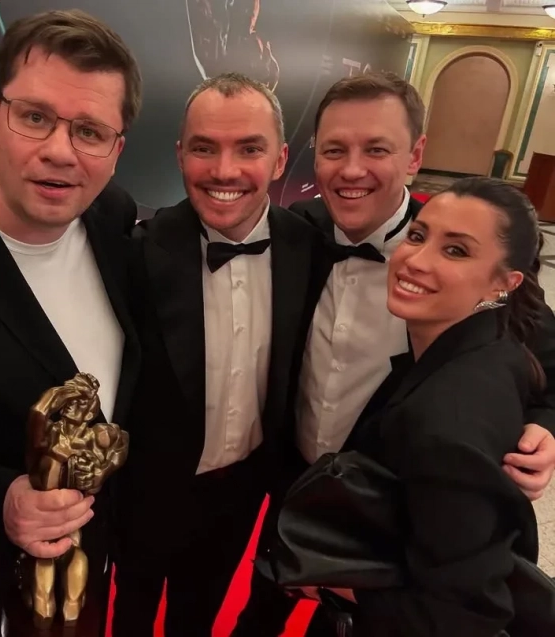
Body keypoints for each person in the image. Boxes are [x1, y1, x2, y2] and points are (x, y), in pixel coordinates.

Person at [235, 72, 555, 636]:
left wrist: (545, 430)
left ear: (416, 155)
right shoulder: (296, 232)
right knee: (262, 606)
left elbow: (543, 363)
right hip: (295, 473)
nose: (352, 170)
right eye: (335, 150)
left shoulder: (467, 263)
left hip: (394, 499)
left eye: (377, 150)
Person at [0, 9, 143, 636]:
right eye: (35, 117)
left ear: (116, 152)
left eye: (89, 131)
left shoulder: (114, 220)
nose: (59, 151)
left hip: (87, 579)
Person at [111, 72, 327, 636]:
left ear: (280, 160)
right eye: (204, 148)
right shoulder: (136, 250)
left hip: (242, 491)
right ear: (180, 154)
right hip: (147, 491)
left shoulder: (309, 246)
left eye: (249, 149)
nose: (224, 171)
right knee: (130, 615)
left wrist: (539, 414)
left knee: (199, 617)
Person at [296, 177, 551, 635]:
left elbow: (462, 614)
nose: (416, 260)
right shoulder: (492, 344)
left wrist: (338, 585)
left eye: (456, 250)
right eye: (417, 236)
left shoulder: (443, 426)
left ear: (504, 283)